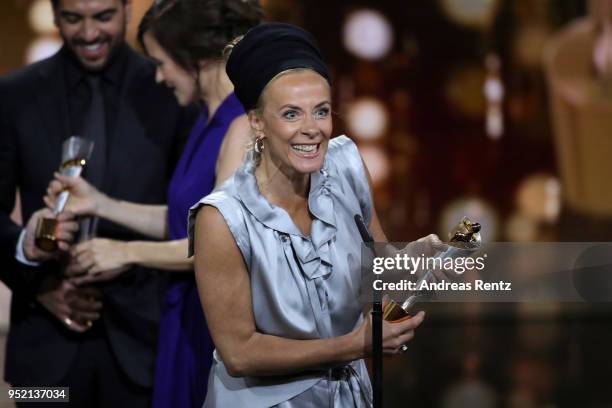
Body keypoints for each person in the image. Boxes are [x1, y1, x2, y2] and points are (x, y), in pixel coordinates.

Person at [188, 22, 428, 407]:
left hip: (349, 396)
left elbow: (377, 269)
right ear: (257, 123)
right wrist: (354, 344)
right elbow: (239, 353)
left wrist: (414, 260)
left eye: (321, 111)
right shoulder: (222, 218)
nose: (312, 129)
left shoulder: (347, 165)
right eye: (291, 114)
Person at [44, 0, 262, 406]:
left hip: (211, 317)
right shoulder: (205, 118)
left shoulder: (239, 126)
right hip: (181, 313)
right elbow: (187, 222)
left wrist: (124, 251)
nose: (159, 77)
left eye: (161, 62)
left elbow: (219, 247)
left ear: (195, 59)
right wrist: (100, 204)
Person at [0, 0, 193, 406]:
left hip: (147, 349)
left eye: (103, 16)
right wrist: (39, 284)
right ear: (54, 15)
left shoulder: (170, 88)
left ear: (127, 10)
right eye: (73, 18)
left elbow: (192, 218)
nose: (89, 33)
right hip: (43, 362)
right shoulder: (14, 94)